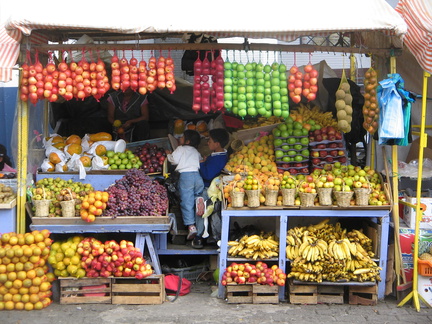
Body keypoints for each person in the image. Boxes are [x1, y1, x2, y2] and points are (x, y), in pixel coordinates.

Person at [192, 128, 230, 249]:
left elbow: (208, 174)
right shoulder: (219, 155)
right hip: (211, 187)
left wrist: (202, 163)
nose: (208, 143)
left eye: (210, 141)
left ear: (217, 144)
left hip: (209, 188)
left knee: (200, 205)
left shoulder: (219, 158)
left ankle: (198, 236)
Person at [165, 130, 204, 241]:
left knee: (186, 201)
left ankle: (191, 226)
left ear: (187, 141)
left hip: (186, 177)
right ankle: (199, 199)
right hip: (197, 176)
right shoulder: (196, 151)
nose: (180, 138)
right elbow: (200, 161)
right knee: (196, 197)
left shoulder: (180, 149)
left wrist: (168, 154)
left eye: (182, 137)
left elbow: (173, 160)